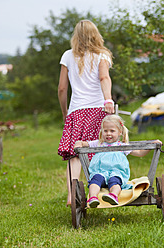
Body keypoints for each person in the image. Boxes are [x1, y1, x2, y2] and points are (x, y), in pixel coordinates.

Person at [58, 20, 115, 207]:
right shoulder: (102, 55)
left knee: (75, 154)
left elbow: (61, 89)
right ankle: (97, 191)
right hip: (98, 110)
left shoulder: (67, 56)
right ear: (95, 34)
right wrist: (108, 100)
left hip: (77, 110)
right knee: (96, 152)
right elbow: (104, 78)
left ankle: (71, 194)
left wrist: (65, 112)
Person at [74, 115, 163, 208]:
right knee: (95, 181)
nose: (108, 134)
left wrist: (151, 145)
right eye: (105, 131)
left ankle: (113, 196)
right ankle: (93, 198)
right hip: (100, 172)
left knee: (115, 182)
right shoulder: (98, 143)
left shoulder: (122, 146)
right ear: (102, 131)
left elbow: (140, 153)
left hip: (116, 173)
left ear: (120, 132)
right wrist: (78, 143)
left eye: (112, 131)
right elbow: (84, 144)